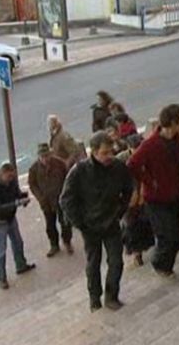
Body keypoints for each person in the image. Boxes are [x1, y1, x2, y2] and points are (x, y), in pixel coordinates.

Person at [60, 131, 133, 312]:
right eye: (104, 153)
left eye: (111, 152)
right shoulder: (79, 171)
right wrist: (80, 222)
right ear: (93, 151)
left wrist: (120, 211)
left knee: (116, 262)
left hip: (111, 223)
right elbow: (66, 200)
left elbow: (128, 189)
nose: (109, 156)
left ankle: (111, 296)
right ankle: (94, 298)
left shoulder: (118, 167)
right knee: (93, 264)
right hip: (90, 226)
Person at [127, 104, 179, 277]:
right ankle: (159, 264)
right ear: (173, 122)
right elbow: (132, 164)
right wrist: (149, 181)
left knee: (176, 237)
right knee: (167, 236)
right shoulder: (150, 145)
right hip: (155, 200)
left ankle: (165, 266)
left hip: (173, 195)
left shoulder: (177, 140)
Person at [0, 163, 36, 289]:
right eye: (8, 177)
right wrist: (17, 203)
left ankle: (21, 265)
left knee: (18, 242)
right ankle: (2, 278)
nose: (11, 180)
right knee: (1, 250)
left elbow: (16, 193)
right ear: (2, 175)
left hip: (10, 218)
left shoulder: (12, 182)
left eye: (12, 177)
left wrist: (23, 197)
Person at [28, 143, 73, 257]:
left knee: (65, 222)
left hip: (61, 198)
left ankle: (67, 241)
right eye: (43, 156)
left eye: (47, 155)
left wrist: (66, 194)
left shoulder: (59, 163)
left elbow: (68, 178)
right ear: (39, 156)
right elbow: (32, 184)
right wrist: (40, 198)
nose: (45, 159)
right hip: (46, 201)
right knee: (50, 224)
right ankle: (54, 245)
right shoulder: (34, 169)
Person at [116, 134, 154, 267]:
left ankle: (144, 247)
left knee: (145, 221)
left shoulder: (148, 155)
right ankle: (135, 253)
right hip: (129, 196)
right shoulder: (121, 160)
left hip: (144, 193)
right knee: (130, 225)